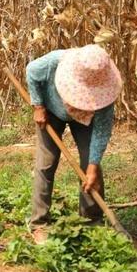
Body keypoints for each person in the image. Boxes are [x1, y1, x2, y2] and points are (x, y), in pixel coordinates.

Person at [25, 44, 122, 244]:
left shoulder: (106, 88)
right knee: (46, 163)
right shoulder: (55, 61)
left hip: (85, 119)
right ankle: (39, 223)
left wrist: (93, 166)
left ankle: (92, 221)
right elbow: (31, 72)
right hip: (51, 112)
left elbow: (101, 131)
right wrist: (38, 106)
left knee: (90, 166)